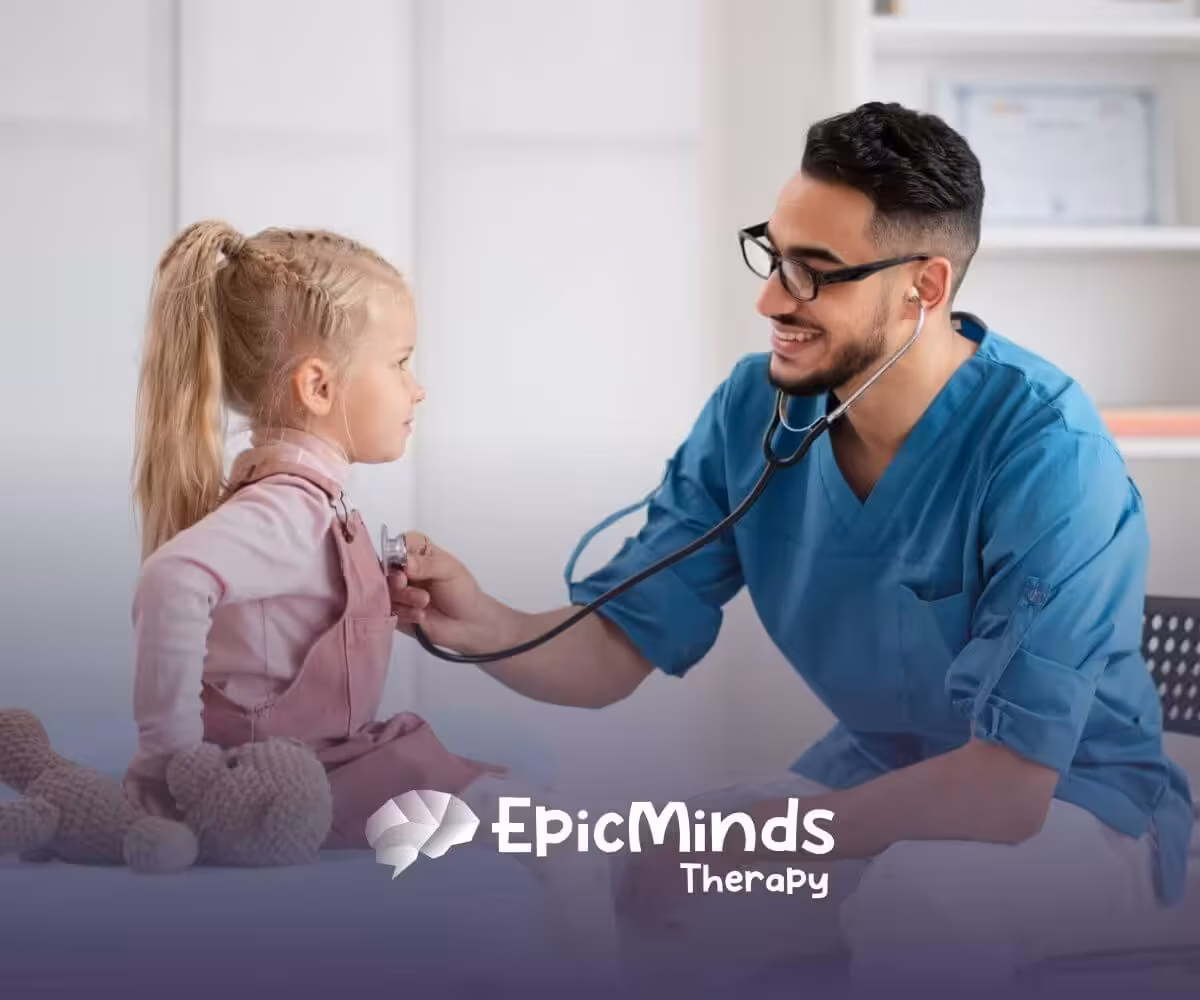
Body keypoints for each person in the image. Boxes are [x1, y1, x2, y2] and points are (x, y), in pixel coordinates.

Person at [387, 102, 1195, 997]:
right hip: (883, 784)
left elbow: (1008, 793)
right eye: (774, 257)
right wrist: (483, 625)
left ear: (923, 287)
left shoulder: (1048, 454)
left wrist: (780, 835)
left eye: (815, 274)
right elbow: (618, 651)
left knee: (917, 897)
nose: (772, 298)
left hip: (1079, 813)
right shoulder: (758, 409)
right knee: (624, 863)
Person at [122, 220, 620, 993]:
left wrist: (363, 607)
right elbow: (171, 581)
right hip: (301, 774)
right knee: (558, 833)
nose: (417, 387)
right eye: (400, 363)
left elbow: (274, 638)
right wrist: (170, 761)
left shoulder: (302, 504)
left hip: (328, 759)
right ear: (319, 387)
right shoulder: (288, 509)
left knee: (533, 803)